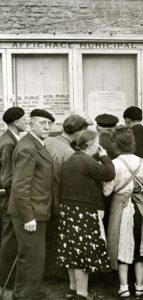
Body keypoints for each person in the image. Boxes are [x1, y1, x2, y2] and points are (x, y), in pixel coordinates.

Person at [56, 130, 115, 300]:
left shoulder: (72, 158)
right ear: (89, 145)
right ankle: (82, 294)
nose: (99, 146)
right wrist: (104, 157)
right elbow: (109, 173)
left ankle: (72, 289)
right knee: (82, 253)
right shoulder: (86, 161)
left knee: (71, 251)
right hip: (82, 211)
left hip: (68, 210)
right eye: (97, 144)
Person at [103, 126, 143, 299]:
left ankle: (124, 287)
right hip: (141, 208)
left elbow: (107, 191)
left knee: (121, 246)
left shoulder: (115, 163)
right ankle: (140, 286)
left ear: (115, 145)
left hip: (121, 208)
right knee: (141, 247)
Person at [8, 108, 55, 300]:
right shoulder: (28, 147)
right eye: (42, 123)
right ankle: (28, 295)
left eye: (49, 124)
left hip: (36, 209)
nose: (46, 127)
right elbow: (20, 186)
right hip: (30, 212)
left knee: (29, 255)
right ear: (31, 124)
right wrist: (28, 217)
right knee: (33, 257)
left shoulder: (35, 143)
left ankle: (23, 292)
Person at [44, 114, 88, 279]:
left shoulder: (47, 140)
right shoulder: (69, 152)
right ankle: (56, 275)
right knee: (57, 238)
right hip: (56, 198)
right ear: (77, 133)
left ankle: (45, 274)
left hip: (41, 197)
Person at [0, 107, 26, 289]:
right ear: (16, 122)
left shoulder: (10, 139)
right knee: (9, 236)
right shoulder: (9, 143)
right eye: (25, 119)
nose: (27, 122)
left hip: (9, 195)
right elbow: (7, 177)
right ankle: (6, 281)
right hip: (9, 197)